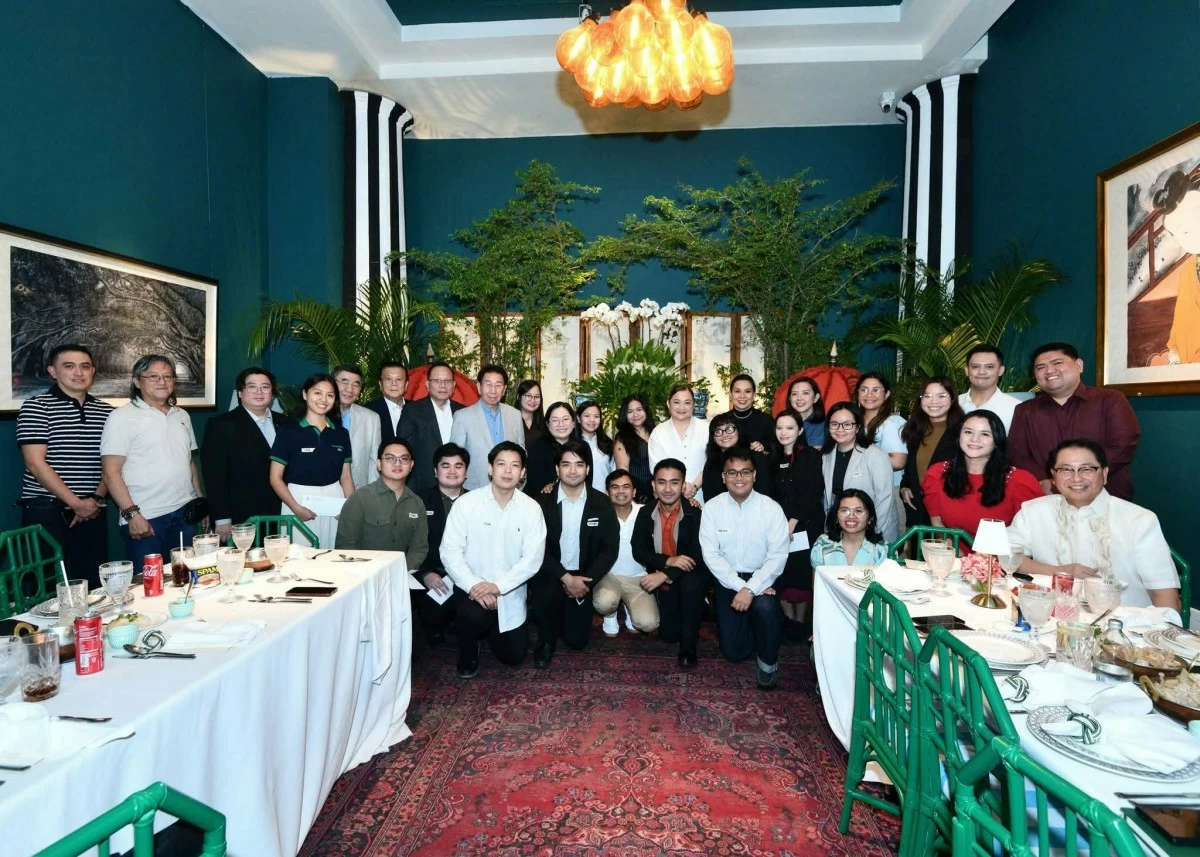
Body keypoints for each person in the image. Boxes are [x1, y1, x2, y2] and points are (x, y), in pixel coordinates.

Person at [1007, 440, 1179, 611]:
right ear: (1054, 476)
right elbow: (1006, 556)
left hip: (1124, 626)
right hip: (1050, 618)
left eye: (1087, 469)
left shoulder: (1139, 520)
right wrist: (1060, 572)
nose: (1076, 478)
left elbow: (1165, 598)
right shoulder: (1034, 511)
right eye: (1066, 469)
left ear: (1104, 474)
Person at [441, 441, 547, 678]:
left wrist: (498, 587)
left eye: (515, 465)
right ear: (490, 469)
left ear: (523, 473)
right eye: (501, 464)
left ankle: (492, 631)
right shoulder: (466, 504)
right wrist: (476, 586)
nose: (507, 471)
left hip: (509, 592)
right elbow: (450, 552)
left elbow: (532, 559)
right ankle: (469, 651)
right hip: (472, 589)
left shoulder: (531, 509)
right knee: (471, 616)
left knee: (514, 657)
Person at [17, 344, 113, 587]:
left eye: (85, 367)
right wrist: (75, 503)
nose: (78, 373)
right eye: (68, 366)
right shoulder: (36, 407)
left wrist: (94, 500)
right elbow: (35, 463)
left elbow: (112, 463)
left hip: (92, 509)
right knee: (46, 586)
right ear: (53, 371)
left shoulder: (108, 413)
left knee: (93, 585)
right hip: (46, 510)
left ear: (93, 371)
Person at [101, 354, 207, 569]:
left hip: (185, 514)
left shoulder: (182, 416)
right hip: (146, 517)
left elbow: (189, 463)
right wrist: (132, 515)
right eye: (154, 376)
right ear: (137, 381)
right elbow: (110, 473)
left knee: (184, 579)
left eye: (168, 376)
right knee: (150, 587)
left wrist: (200, 502)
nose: (162, 382)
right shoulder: (121, 418)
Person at [699, 446, 790, 690]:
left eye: (745, 472)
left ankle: (768, 661)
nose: (739, 478)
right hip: (727, 580)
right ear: (723, 477)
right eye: (732, 473)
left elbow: (778, 556)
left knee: (765, 608)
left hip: (763, 578)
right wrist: (742, 588)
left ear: (755, 475)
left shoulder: (771, 509)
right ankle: (761, 630)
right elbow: (711, 555)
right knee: (733, 653)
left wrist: (752, 589)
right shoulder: (712, 508)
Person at [1008, 343, 1140, 500]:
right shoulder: (1025, 410)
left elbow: (1123, 445)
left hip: (1107, 496)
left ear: (1079, 365)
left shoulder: (1110, 400)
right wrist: (1049, 481)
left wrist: (1084, 477)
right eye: (1040, 367)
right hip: (1047, 498)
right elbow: (1017, 454)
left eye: (1057, 363)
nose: (1049, 371)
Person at [530, 439, 618, 666]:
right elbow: (535, 548)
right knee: (546, 595)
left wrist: (584, 582)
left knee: (577, 641)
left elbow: (609, 550)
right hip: (552, 572)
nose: (572, 470)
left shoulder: (602, 503)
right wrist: (565, 577)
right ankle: (546, 640)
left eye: (579, 464)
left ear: (588, 469)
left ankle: (563, 614)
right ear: (557, 469)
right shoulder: (541, 504)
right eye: (566, 464)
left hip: (584, 576)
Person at [632, 458, 710, 668]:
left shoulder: (696, 514)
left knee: (692, 586)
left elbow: (698, 554)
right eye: (662, 482)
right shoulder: (644, 512)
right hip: (664, 578)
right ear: (653, 485)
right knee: (668, 635)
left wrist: (665, 573)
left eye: (674, 483)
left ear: (683, 485)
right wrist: (668, 561)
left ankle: (688, 647)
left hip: (689, 575)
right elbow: (639, 550)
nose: (668, 489)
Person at [201, 367, 288, 544]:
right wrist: (222, 518)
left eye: (265, 387)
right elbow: (214, 475)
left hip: (283, 513)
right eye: (252, 387)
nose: (259, 392)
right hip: (242, 517)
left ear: (272, 393)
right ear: (240, 392)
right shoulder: (221, 425)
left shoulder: (286, 423)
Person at [268, 373, 356, 548]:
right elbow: (275, 478)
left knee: (331, 557)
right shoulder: (288, 431)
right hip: (297, 500)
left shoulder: (341, 433)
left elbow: (345, 477)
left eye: (330, 395)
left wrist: (349, 508)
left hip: (334, 500)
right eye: (317, 393)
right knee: (298, 560)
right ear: (305, 394)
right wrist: (295, 508)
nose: (324, 399)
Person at [922, 410, 1043, 534]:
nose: (975, 439)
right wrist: (959, 553)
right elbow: (938, 526)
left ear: (997, 441)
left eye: (985, 434)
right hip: (954, 549)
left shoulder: (1020, 481)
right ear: (959, 437)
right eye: (968, 432)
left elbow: (1035, 533)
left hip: (1004, 552)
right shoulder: (937, 473)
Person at [767, 409, 825, 640]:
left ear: (800, 430)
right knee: (782, 571)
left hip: (804, 524)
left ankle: (800, 624)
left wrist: (791, 523)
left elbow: (812, 491)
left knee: (800, 574)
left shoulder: (810, 455)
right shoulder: (770, 457)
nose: (784, 432)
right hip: (776, 526)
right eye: (779, 427)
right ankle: (787, 622)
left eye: (789, 428)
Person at [335, 440, 429, 576]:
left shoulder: (417, 503)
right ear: (379, 464)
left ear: (411, 465)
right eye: (390, 458)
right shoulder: (360, 498)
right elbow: (345, 545)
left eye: (404, 459)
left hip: (401, 577)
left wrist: (400, 571)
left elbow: (419, 548)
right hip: (363, 577)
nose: (397, 463)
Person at [415, 442, 470, 645]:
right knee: (432, 612)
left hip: (469, 572)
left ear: (466, 472)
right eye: (445, 466)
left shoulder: (477, 501)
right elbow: (413, 544)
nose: (452, 471)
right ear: (435, 471)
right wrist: (426, 573)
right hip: (435, 572)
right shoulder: (419, 501)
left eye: (458, 466)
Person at [821, 402, 898, 543]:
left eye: (847, 424)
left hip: (874, 531)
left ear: (858, 427)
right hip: (842, 532)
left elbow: (885, 499)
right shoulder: (826, 456)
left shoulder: (875, 455)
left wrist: (873, 533)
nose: (840, 429)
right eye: (834, 424)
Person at [593, 469, 658, 637]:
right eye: (615, 487)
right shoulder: (599, 515)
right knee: (604, 603)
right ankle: (610, 614)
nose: (621, 491)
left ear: (634, 491)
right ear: (607, 492)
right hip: (609, 576)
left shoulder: (647, 513)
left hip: (639, 578)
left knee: (648, 624)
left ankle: (630, 607)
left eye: (626, 487)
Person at [899, 377, 964, 527]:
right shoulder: (915, 429)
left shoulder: (963, 430)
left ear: (952, 398)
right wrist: (904, 486)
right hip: (918, 509)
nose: (934, 401)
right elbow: (911, 468)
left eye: (941, 396)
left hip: (949, 510)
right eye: (927, 396)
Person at [449, 364, 525, 490]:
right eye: (488, 384)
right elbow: (456, 457)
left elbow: (522, 452)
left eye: (498, 385)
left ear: (504, 389)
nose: (493, 390)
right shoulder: (462, 417)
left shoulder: (515, 415)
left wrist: (520, 482)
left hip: (510, 489)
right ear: (479, 387)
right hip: (475, 489)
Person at [396, 360, 462, 495]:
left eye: (447, 381)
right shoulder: (412, 410)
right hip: (423, 483)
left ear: (454, 385)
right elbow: (404, 448)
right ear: (428, 384)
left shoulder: (463, 412)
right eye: (437, 380)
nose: (442, 385)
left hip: (458, 482)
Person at [1155, 168, 1200, 365]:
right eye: (1180, 229)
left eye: (1196, 213)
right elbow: (1183, 316)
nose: (1188, 231)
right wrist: (1175, 348)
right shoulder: (1190, 270)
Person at [856, 372, 908, 530]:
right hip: (861, 489)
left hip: (889, 490)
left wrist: (860, 458)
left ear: (887, 394)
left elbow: (898, 462)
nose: (869, 395)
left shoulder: (892, 422)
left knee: (888, 543)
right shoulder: (853, 421)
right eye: (864, 390)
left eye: (876, 390)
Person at [647, 384, 708, 502]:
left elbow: (713, 463)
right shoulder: (658, 433)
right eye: (676, 402)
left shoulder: (707, 429)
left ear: (694, 405)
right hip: (669, 496)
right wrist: (681, 488)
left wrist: (694, 486)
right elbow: (657, 467)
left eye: (687, 402)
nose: (681, 407)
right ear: (668, 404)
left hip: (702, 494)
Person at [524, 401, 591, 497]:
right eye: (555, 420)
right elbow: (534, 484)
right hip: (543, 502)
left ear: (573, 422)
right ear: (548, 424)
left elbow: (588, 481)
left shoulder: (583, 446)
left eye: (565, 419)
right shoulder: (537, 447)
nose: (561, 424)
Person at [700, 413, 772, 502]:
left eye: (729, 429)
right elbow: (709, 497)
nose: (724, 434)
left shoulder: (756, 457)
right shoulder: (711, 463)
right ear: (713, 438)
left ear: (738, 431)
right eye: (718, 431)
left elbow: (765, 491)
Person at [332, 364, 382, 489]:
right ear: (332, 384)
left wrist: (371, 492)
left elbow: (374, 461)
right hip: (326, 489)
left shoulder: (371, 418)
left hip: (359, 490)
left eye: (356, 385)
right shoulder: (319, 414)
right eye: (344, 382)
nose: (349, 389)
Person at [810, 489, 889, 567]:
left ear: (870, 518)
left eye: (858, 511)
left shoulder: (882, 549)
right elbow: (817, 579)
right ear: (836, 516)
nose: (851, 516)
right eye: (844, 510)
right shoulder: (822, 544)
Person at [958, 345, 1021, 430]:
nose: (981, 372)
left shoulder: (1016, 408)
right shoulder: (952, 404)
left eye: (989, 367)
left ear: (1000, 370)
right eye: (975, 367)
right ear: (967, 371)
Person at [613, 394, 655, 504]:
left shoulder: (656, 433)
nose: (635, 414)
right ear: (625, 415)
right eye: (630, 411)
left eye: (639, 409)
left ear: (646, 411)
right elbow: (622, 471)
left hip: (658, 491)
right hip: (636, 493)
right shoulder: (622, 438)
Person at [718, 373, 773, 451]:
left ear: (754, 395)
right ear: (730, 395)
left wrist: (763, 449)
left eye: (747, 391)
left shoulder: (767, 421)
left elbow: (776, 453)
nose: (742, 396)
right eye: (737, 391)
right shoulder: (721, 421)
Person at [364, 361, 409, 445]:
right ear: (380, 384)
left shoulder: (419, 409)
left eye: (398, 379)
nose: (394, 384)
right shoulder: (368, 411)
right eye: (389, 379)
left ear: (406, 385)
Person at [578, 401, 615, 492]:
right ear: (578, 418)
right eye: (587, 416)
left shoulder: (608, 444)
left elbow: (614, 473)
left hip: (605, 496)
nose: (592, 420)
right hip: (579, 496)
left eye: (596, 416)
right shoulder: (572, 444)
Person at [786, 375, 825, 448]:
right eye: (794, 394)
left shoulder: (826, 425)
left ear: (816, 398)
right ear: (790, 398)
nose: (799, 398)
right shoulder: (782, 423)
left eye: (805, 393)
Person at [515, 380, 546, 448]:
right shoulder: (511, 421)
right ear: (518, 397)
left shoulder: (544, 424)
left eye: (537, 397)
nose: (533, 400)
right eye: (528, 396)